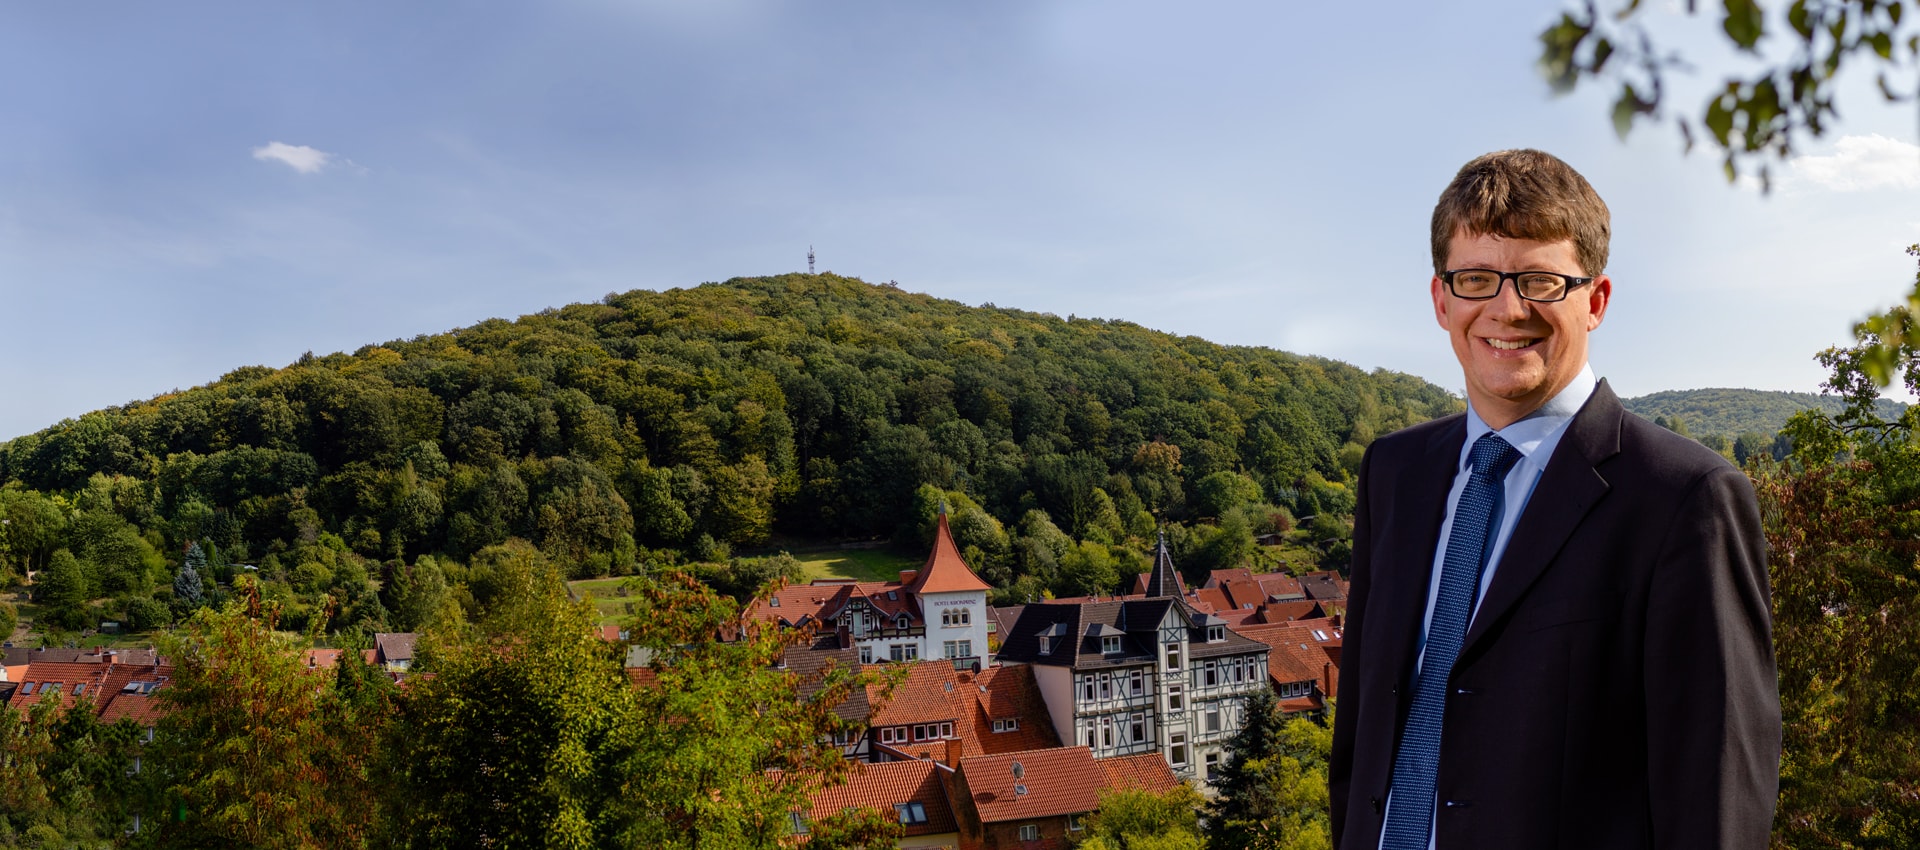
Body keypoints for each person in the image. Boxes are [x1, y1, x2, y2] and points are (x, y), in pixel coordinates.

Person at [1328, 150, 1780, 850]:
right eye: (1476, 279)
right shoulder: (1393, 473)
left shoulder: (1683, 499)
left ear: (1595, 302)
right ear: (1441, 299)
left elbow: (1714, 799)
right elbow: (1361, 731)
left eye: (1541, 280)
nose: (1507, 309)